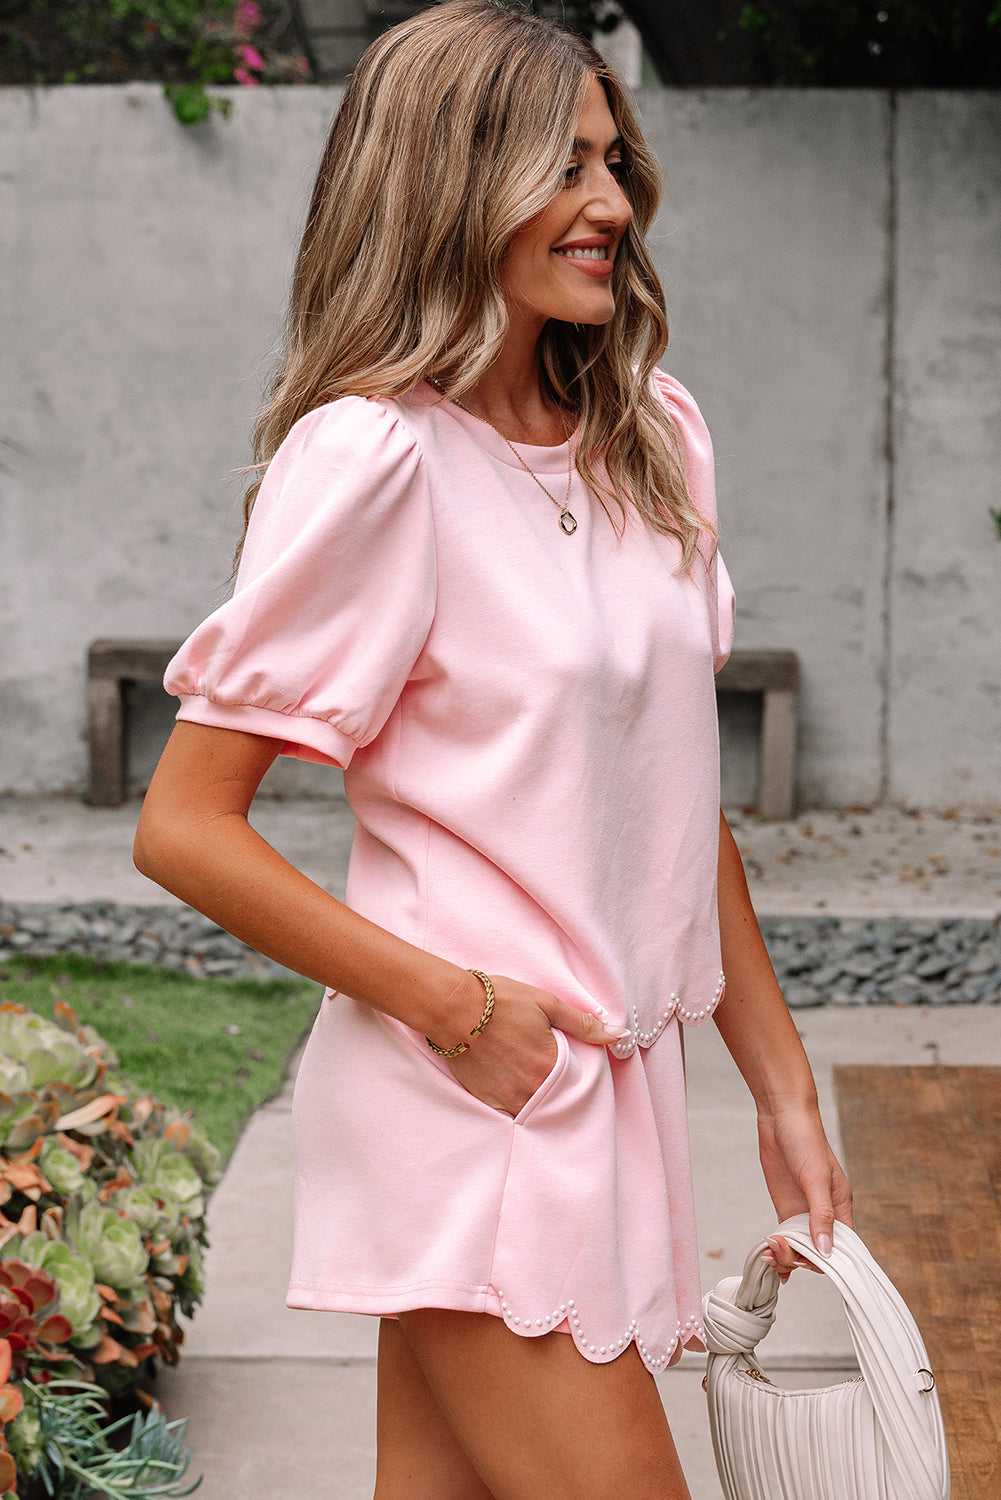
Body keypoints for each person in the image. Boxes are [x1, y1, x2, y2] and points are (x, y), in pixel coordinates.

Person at [134, 2, 854, 1496]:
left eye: (611, 163)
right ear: (449, 188)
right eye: (564, 168)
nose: (610, 204)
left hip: (596, 1096)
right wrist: (457, 1010)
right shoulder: (378, 458)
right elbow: (186, 826)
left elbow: (667, 804)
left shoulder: (650, 432)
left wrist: (779, 1087)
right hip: (475, 1104)